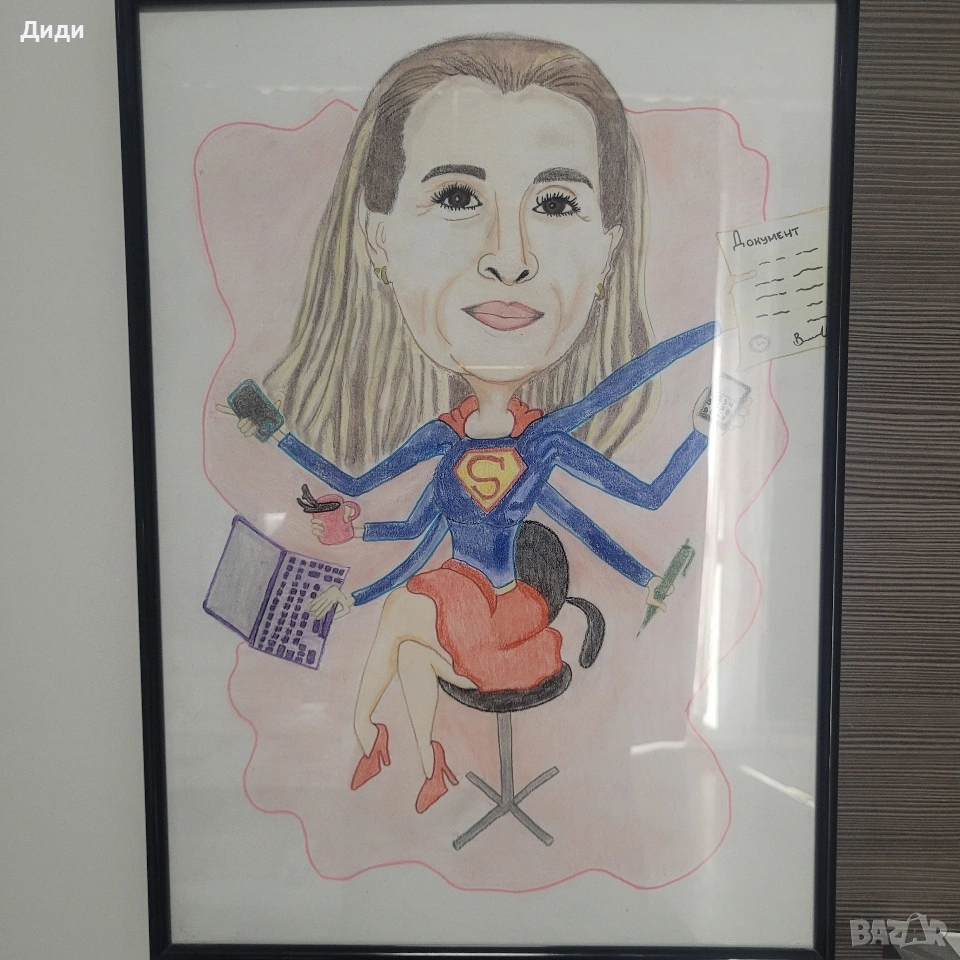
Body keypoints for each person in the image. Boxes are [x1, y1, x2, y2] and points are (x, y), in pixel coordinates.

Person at [220, 35, 719, 814]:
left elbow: (642, 499)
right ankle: (425, 763)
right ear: (378, 238)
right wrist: (280, 441)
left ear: (608, 254)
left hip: (511, 615)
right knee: (411, 646)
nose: (509, 259)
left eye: (556, 204)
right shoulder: (440, 439)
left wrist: (704, 429)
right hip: (462, 604)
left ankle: (367, 734)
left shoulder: (547, 439)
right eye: (457, 197)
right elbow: (384, 510)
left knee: (404, 613)